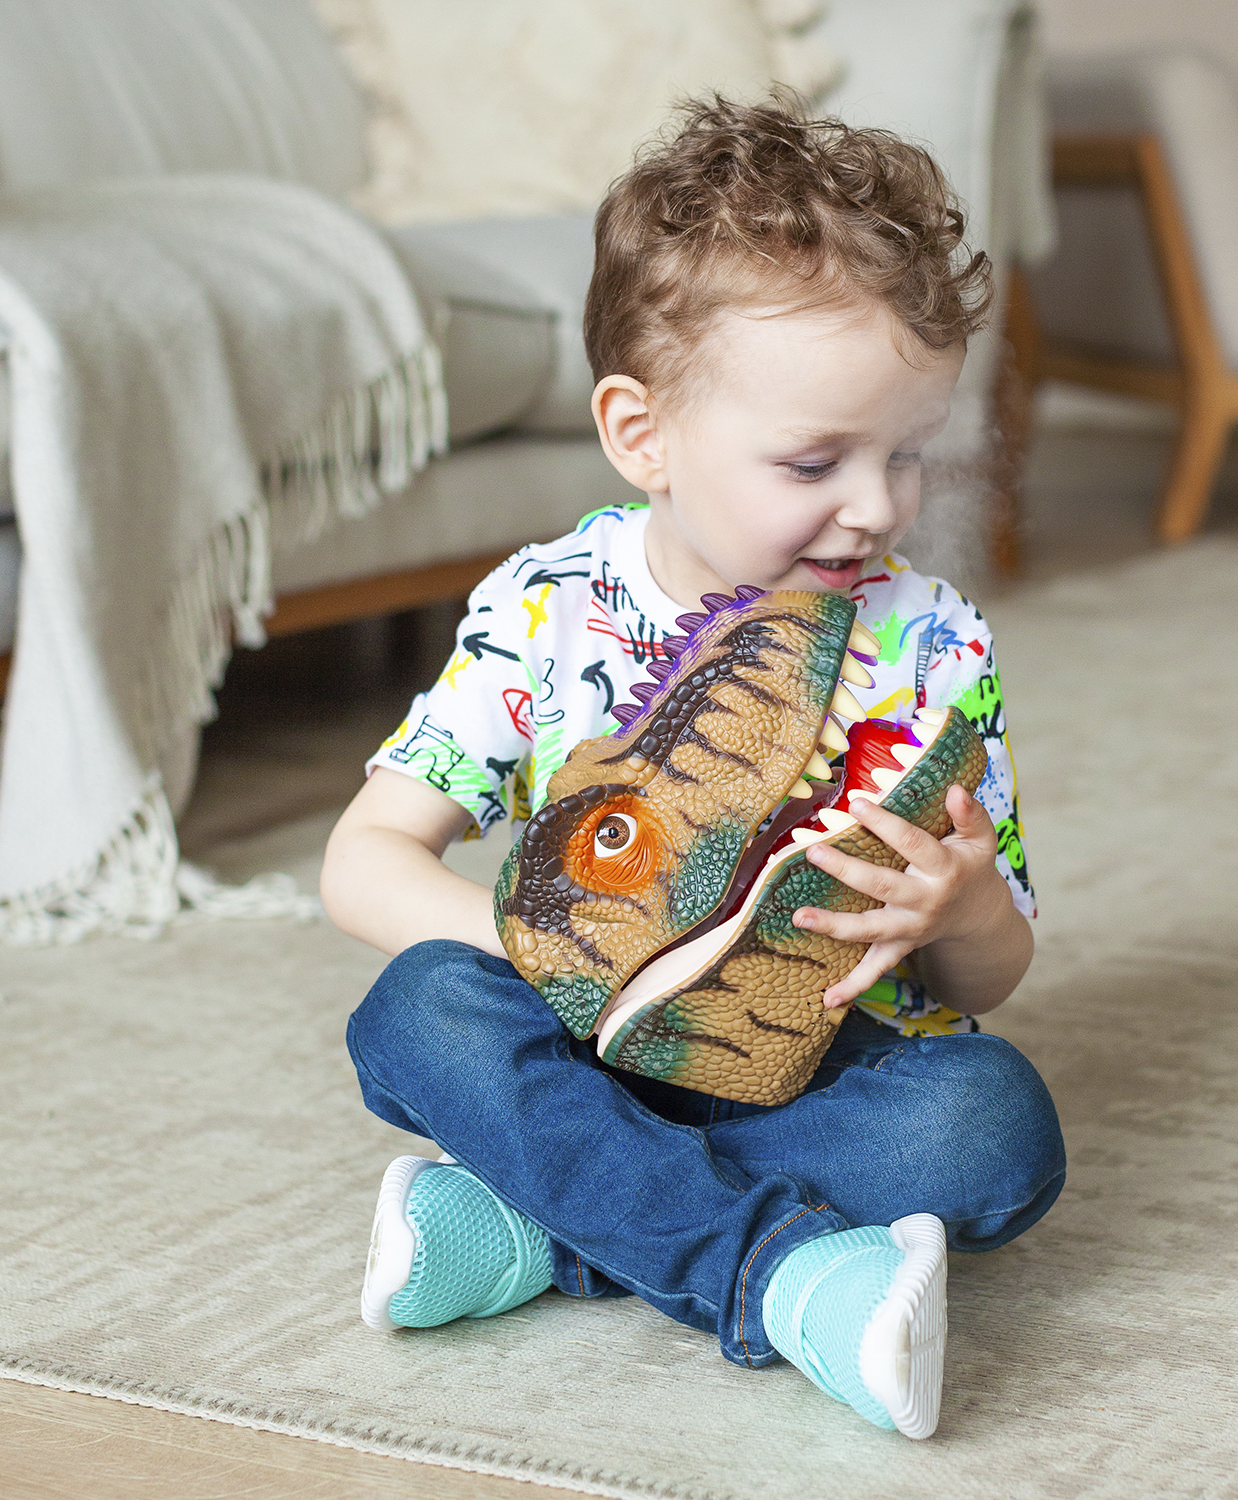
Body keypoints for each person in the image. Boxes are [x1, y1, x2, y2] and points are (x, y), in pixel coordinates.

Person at [321, 95, 1063, 1440]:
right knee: (413, 1013)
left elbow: (994, 978)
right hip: (571, 1038)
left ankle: (543, 1222)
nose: (879, 506)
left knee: (994, 1134)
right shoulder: (548, 608)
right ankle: (782, 1281)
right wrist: (557, 963)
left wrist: (963, 914)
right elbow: (363, 862)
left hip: (817, 1057)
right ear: (640, 432)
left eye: (907, 453)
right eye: (814, 461)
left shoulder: (933, 641)